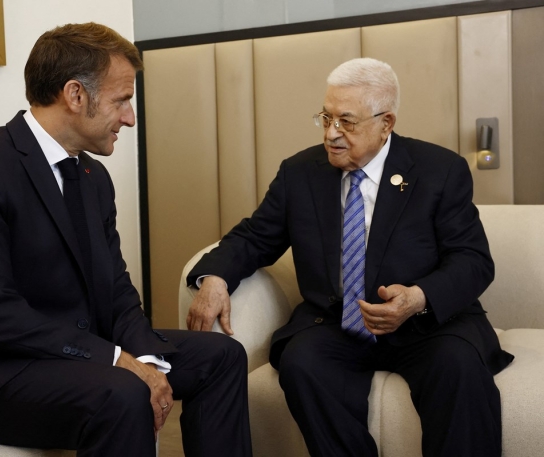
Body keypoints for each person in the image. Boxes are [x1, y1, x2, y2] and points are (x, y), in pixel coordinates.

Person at [0, 22, 252, 457]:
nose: (130, 118)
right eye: (122, 100)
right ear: (76, 95)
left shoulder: (93, 177)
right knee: (122, 390)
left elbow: (116, 290)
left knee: (222, 356)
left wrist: (145, 359)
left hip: (69, 352)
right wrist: (116, 359)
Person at [186, 57, 513, 457]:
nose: (331, 134)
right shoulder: (300, 173)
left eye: (347, 122)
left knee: (459, 367)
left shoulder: (439, 170)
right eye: (326, 118)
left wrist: (418, 297)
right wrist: (215, 278)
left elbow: (473, 259)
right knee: (302, 363)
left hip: (426, 323)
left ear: (386, 123)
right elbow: (255, 236)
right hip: (337, 320)